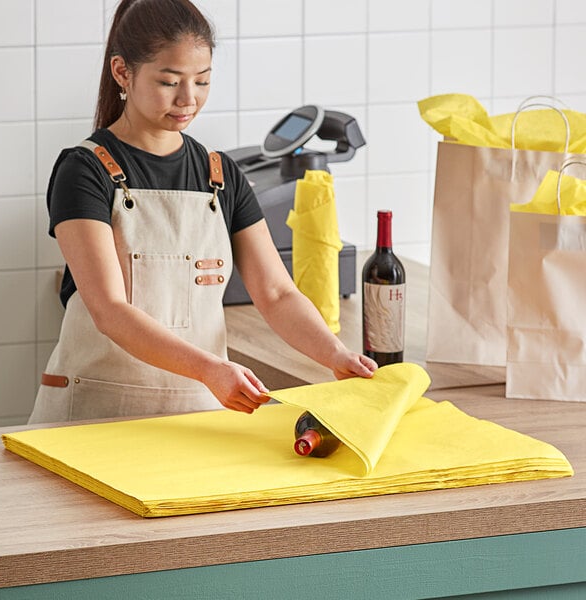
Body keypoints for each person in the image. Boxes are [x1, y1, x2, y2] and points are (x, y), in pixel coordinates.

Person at [29, 0, 377, 424]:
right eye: (169, 81)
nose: (187, 99)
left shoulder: (221, 174)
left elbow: (276, 293)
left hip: (199, 415)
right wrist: (210, 368)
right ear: (122, 71)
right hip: (94, 416)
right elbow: (110, 311)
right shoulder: (84, 170)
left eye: (202, 81)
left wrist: (335, 354)